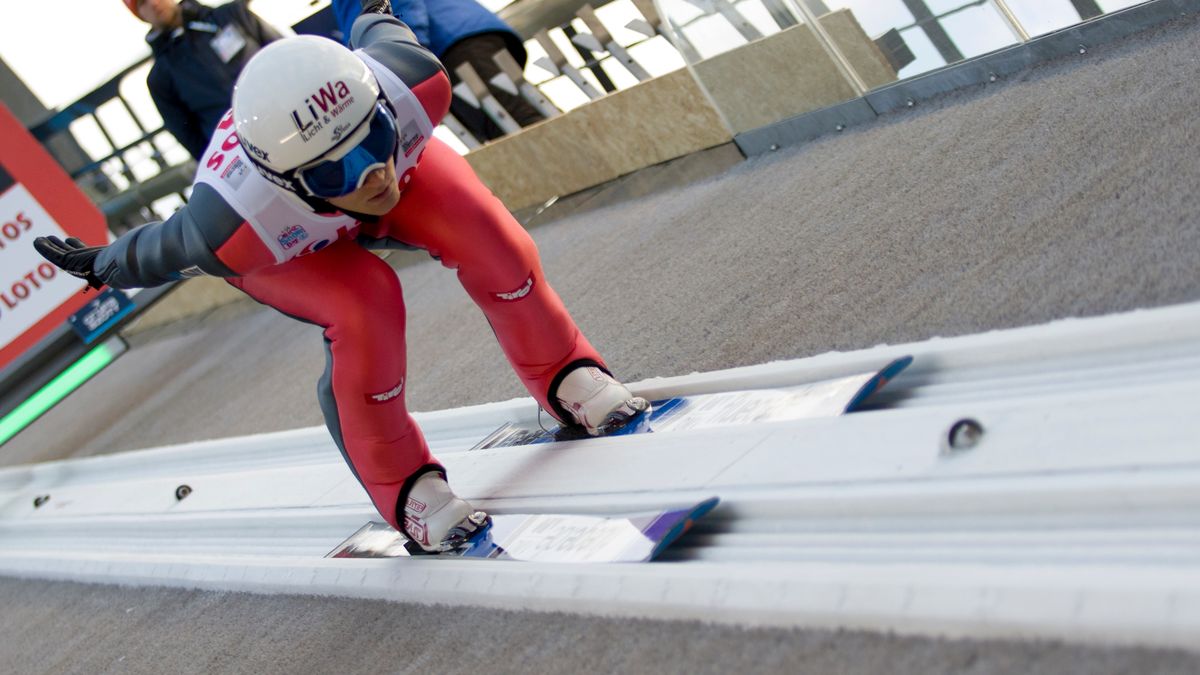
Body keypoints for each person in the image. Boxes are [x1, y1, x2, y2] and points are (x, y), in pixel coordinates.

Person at [36, 1, 648, 554]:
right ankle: (401, 483)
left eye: (373, 138)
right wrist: (101, 264)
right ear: (286, 180)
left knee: (485, 232)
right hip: (288, 243)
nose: (371, 176)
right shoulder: (236, 222)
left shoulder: (411, 79)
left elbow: (374, 18)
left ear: (382, 107)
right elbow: (161, 245)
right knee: (364, 308)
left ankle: (563, 366)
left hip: (328, 182)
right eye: (337, 172)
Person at [329, 0, 544, 141]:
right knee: (508, 127)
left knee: (519, 123)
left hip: (450, 41)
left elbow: (392, 8)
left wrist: (407, 53)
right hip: (454, 38)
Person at [126, 0, 283, 159]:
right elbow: (191, 139)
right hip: (244, 155)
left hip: (287, 116)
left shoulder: (231, 14)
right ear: (139, 15)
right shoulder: (160, 78)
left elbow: (285, 52)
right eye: (142, 3)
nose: (153, 3)